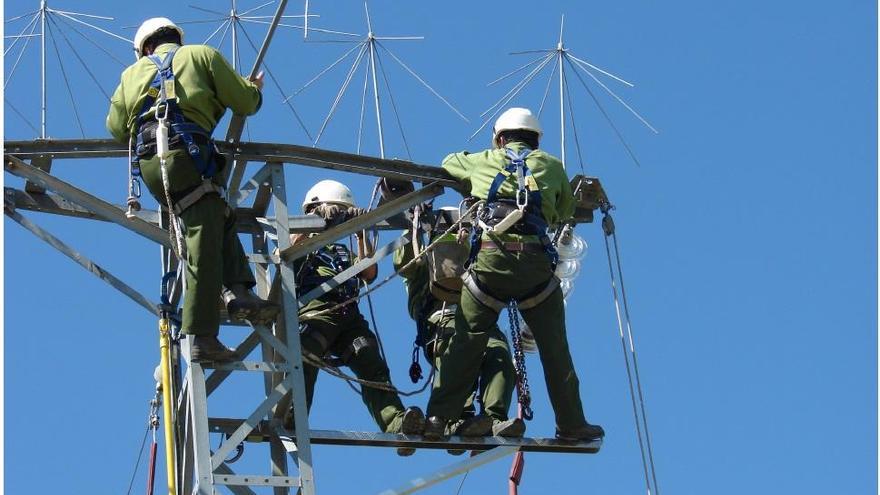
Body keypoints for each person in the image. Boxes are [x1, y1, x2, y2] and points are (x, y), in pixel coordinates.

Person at [424, 108, 605, 442]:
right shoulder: (551, 166)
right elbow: (565, 210)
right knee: (555, 350)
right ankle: (571, 423)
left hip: (490, 266)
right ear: (535, 139)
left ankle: (438, 418)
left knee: (465, 342)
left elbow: (449, 161)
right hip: (535, 270)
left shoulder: (483, 160)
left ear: (501, 138)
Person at [106, 17, 278, 362]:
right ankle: (201, 335)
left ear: (145, 48)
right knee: (202, 235)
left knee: (215, 212)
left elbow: (115, 128)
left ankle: (240, 290)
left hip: (153, 165)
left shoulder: (131, 75)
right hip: (189, 155)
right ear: (176, 39)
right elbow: (245, 102)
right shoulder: (202, 56)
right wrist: (253, 90)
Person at [287, 180, 425, 456]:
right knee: (307, 354)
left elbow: (368, 273)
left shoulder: (341, 252)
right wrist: (318, 221)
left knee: (369, 359)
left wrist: (360, 231)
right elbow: (289, 247)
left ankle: (396, 422)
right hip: (318, 310)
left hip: (348, 316)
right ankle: (293, 416)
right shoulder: (299, 240)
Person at [392, 212, 524, 441]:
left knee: (499, 353)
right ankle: (455, 420)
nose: (457, 236)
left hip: (480, 321)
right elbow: (404, 262)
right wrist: (414, 225)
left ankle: (493, 420)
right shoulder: (423, 260)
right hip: (442, 320)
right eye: (451, 231)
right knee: (457, 348)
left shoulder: (473, 257)